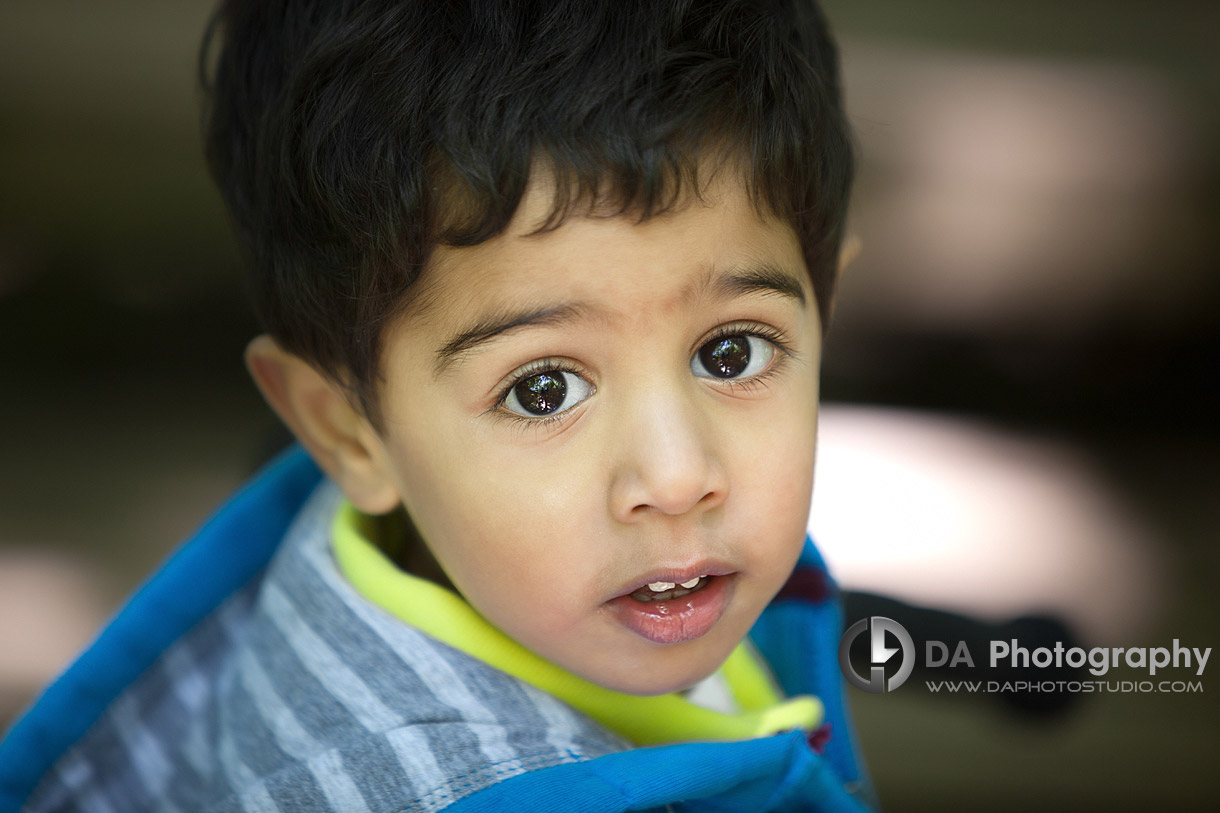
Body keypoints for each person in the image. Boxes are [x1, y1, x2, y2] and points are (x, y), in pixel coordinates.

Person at [0, 0, 871, 809]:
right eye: (543, 389)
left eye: (732, 352)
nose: (679, 476)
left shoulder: (659, 582)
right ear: (347, 431)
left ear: (824, 310)